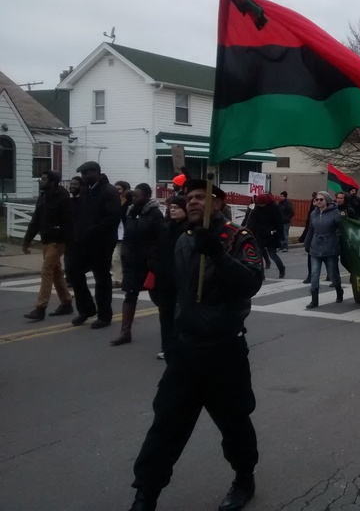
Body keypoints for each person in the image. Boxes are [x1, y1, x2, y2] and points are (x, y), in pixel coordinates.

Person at [128, 178, 263, 511]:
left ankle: (244, 478)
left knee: (234, 423)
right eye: (189, 197)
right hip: (186, 352)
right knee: (166, 426)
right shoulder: (184, 241)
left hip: (224, 351)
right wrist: (174, 338)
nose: (192, 202)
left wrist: (218, 254)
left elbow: (250, 283)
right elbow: (180, 296)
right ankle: (146, 493)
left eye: (201, 197)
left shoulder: (237, 238)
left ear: (218, 203)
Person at [68, 161, 120, 329]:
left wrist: (91, 230)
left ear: (97, 172)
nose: (84, 177)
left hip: (102, 242)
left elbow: (111, 219)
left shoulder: (109, 191)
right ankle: (87, 309)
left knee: (101, 278)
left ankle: (104, 315)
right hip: (83, 241)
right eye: (82, 174)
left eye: (87, 173)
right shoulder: (85, 191)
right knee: (74, 272)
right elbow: (80, 215)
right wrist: (78, 232)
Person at [111, 183, 163, 346]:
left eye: (138, 196)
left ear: (147, 196)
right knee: (130, 295)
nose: (134, 198)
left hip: (149, 265)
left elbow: (161, 239)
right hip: (132, 263)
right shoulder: (131, 213)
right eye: (133, 196)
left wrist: (153, 260)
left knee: (160, 300)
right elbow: (127, 235)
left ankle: (169, 332)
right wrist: (125, 253)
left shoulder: (155, 214)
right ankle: (125, 332)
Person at [22, 170, 74, 321]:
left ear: (52, 182)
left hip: (57, 241)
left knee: (46, 271)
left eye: (44, 179)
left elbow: (69, 222)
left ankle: (40, 308)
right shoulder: (43, 196)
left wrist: (66, 241)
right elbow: (36, 220)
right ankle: (66, 302)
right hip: (46, 240)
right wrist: (27, 240)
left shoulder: (63, 198)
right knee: (56, 271)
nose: (40, 181)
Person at [150, 195, 188, 360]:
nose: (173, 210)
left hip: (182, 280)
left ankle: (182, 345)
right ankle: (166, 347)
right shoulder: (165, 228)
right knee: (165, 314)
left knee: (180, 314)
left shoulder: (190, 230)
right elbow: (157, 250)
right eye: (171, 207)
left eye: (177, 207)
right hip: (164, 279)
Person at [304, 191, 344, 308]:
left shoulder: (335, 213)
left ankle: (338, 290)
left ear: (327, 200)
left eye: (321, 199)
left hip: (330, 246)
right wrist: (307, 244)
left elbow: (341, 228)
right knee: (315, 274)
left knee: (332, 273)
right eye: (317, 199)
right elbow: (310, 230)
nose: (318, 201)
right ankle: (314, 299)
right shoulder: (313, 214)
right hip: (316, 246)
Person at [246, 193, 286, 279]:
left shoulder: (274, 208)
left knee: (272, 254)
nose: (261, 206)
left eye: (262, 204)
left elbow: (279, 222)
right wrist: (249, 231)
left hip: (272, 235)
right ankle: (261, 274)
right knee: (259, 255)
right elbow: (252, 222)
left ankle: (281, 268)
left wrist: (281, 236)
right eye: (259, 204)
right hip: (260, 235)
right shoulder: (256, 208)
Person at [113, 181, 132, 288]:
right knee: (115, 257)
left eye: (119, 189)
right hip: (117, 234)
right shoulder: (113, 202)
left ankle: (126, 278)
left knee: (126, 258)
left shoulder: (131, 203)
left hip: (127, 234)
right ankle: (118, 279)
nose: (117, 192)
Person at [298, 192, 317, 284]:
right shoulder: (312, 213)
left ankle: (331, 275)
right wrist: (303, 238)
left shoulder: (327, 213)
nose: (316, 202)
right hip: (312, 239)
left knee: (327, 260)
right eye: (314, 200)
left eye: (319, 200)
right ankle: (310, 276)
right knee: (310, 259)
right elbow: (308, 227)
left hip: (323, 241)